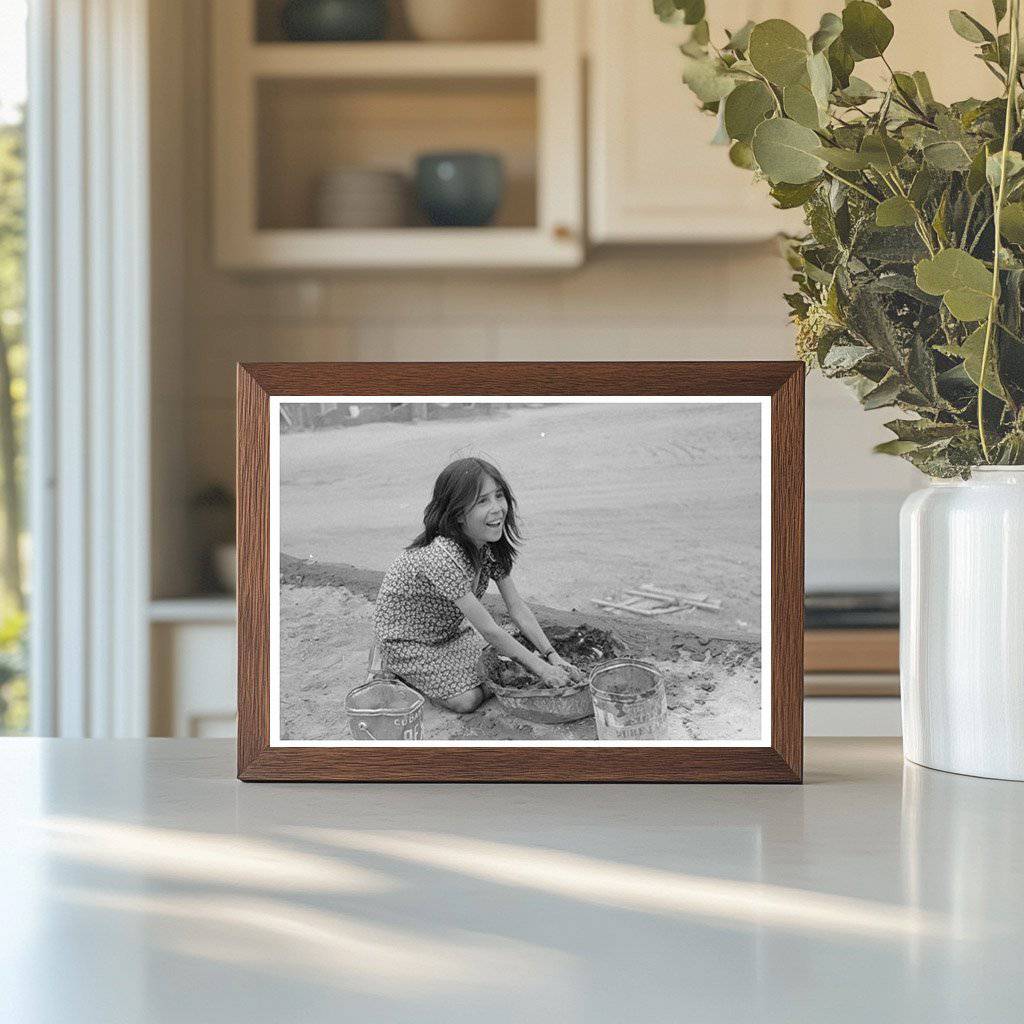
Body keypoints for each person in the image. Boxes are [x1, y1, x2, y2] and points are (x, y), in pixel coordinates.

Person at [373, 456, 584, 713]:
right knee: (468, 700)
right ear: (458, 513)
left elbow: (517, 608)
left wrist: (552, 656)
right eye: (482, 501)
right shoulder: (442, 557)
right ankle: (395, 668)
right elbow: (489, 630)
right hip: (406, 640)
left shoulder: (488, 544)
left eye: (499, 496)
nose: (497, 508)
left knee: (505, 669)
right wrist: (543, 670)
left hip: (450, 632)